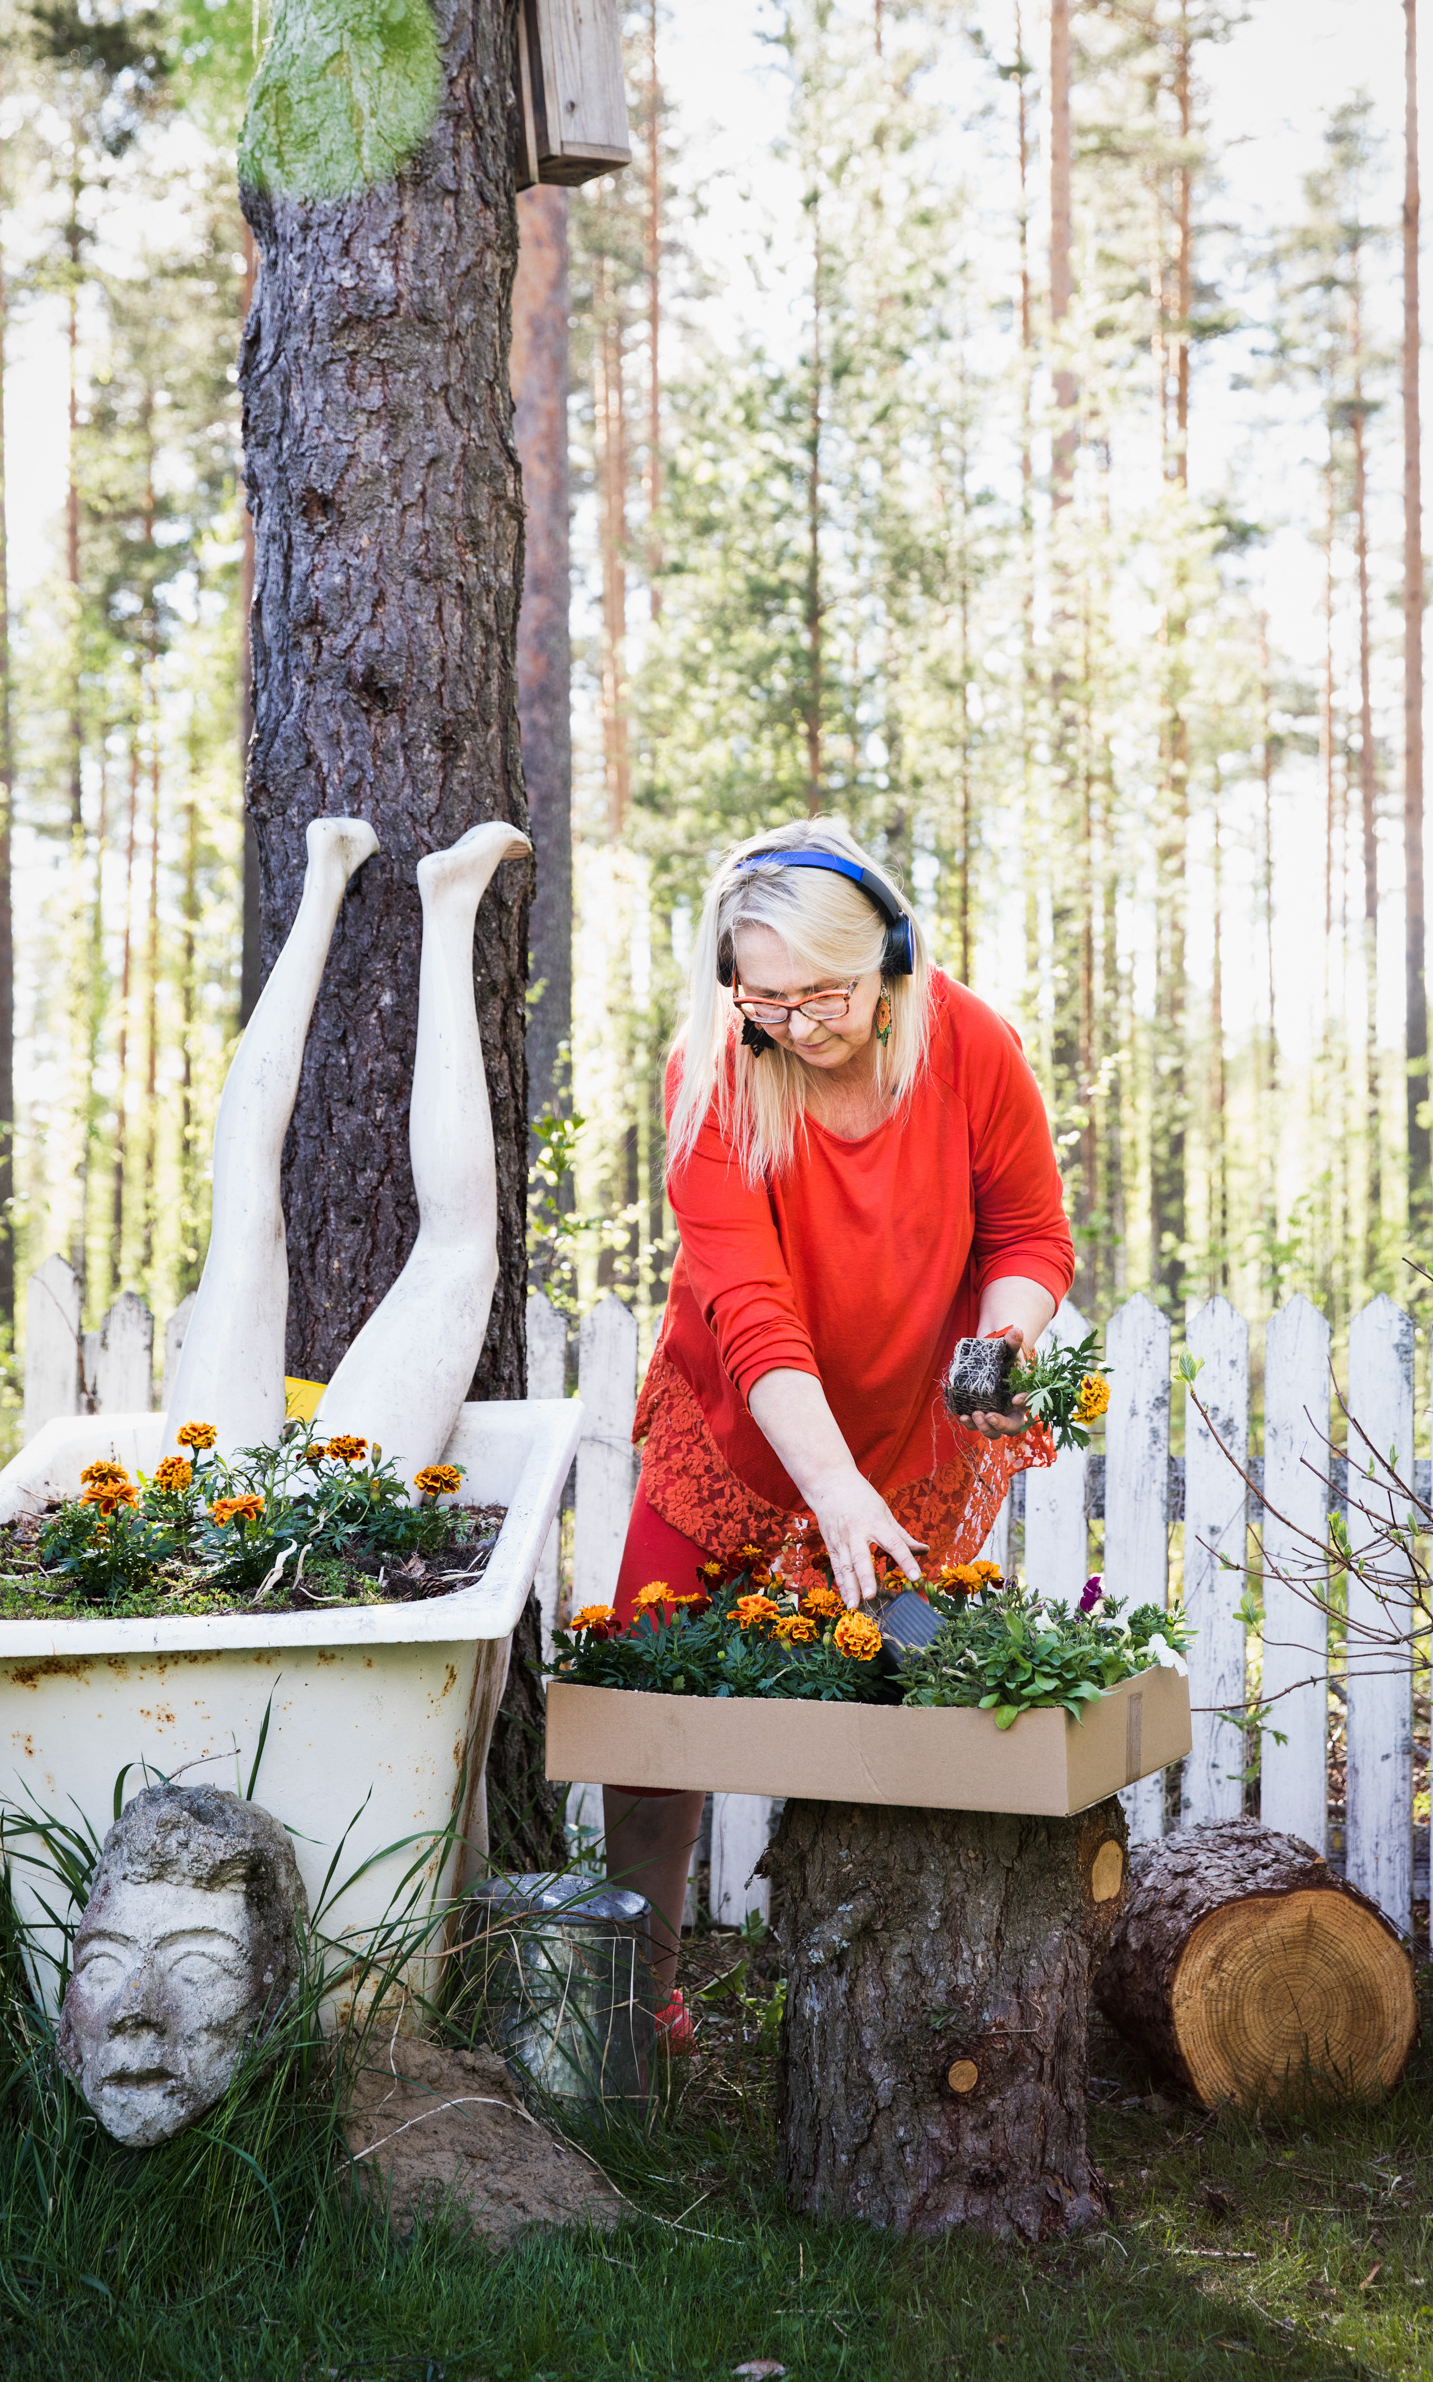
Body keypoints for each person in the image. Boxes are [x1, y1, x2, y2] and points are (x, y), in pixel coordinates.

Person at [602, 817, 1074, 2018]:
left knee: (908, 1713)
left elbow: (1029, 1235)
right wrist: (825, 1484)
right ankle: (637, 2009)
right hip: (740, 1434)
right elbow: (752, 1317)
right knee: (644, 1722)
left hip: (908, 1447)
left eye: (823, 996)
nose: (796, 1026)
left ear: (892, 964)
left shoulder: (969, 1045)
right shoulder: (714, 1073)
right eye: (765, 999)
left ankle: (900, 2024)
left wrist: (1002, 1337)